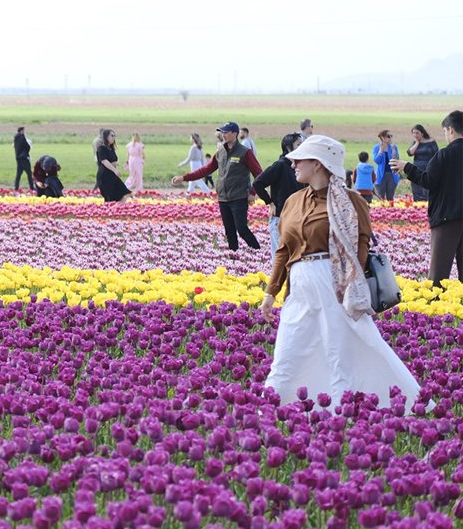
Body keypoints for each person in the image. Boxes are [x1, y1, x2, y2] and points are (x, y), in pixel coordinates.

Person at [260, 135, 420, 409]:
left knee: (339, 352)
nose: (293, 164)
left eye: (300, 159)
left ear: (318, 164)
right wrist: (270, 292)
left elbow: (361, 245)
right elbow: (283, 251)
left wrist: (350, 284)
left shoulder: (350, 201)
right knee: (287, 349)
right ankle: (272, 406)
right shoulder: (293, 202)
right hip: (300, 285)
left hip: (334, 283)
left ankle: (342, 410)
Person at [392, 110, 463, 288]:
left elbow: (428, 181)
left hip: (447, 218)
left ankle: (436, 306)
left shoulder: (444, 155)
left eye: (445, 131)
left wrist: (407, 167)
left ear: (450, 130)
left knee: (438, 275)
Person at [173, 122, 263, 251]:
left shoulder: (245, 152)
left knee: (241, 229)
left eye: (226, 132)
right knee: (229, 231)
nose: (223, 135)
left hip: (239, 197)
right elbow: (206, 170)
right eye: (222, 132)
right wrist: (184, 177)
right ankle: (234, 255)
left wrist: (253, 192)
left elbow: (259, 174)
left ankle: (258, 252)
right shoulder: (220, 152)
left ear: (235, 134)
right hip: (223, 198)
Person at [252, 132, 305, 255]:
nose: (302, 147)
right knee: (280, 257)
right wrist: (270, 203)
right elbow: (258, 183)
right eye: (298, 144)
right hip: (280, 218)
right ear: (288, 147)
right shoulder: (280, 165)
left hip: (297, 218)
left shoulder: (301, 167)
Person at [94, 128, 130, 203]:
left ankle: (118, 209)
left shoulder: (111, 148)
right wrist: (115, 170)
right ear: (106, 137)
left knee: (125, 193)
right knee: (110, 198)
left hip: (112, 175)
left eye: (114, 136)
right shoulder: (101, 148)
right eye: (112, 136)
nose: (114, 138)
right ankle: (111, 210)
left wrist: (115, 163)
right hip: (105, 176)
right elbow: (104, 161)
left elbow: (112, 161)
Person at [406, 124, 439, 203]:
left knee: (427, 188)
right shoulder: (415, 142)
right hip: (417, 168)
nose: (415, 135)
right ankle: (418, 206)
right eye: (413, 133)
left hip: (428, 168)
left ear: (422, 133)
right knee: (417, 188)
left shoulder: (431, 141)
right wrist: (417, 143)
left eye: (417, 133)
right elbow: (410, 153)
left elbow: (436, 154)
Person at [371, 130, 399, 202]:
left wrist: (393, 150)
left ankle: (391, 209)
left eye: (391, 136)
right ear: (382, 137)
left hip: (392, 175)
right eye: (388, 136)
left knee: (390, 197)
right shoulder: (376, 147)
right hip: (381, 175)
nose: (390, 138)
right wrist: (381, 150)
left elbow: (396, 160)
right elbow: (377, 161)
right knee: (381, 197)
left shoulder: (393, 147)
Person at [13, 126, 35, 191]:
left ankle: (16, 187)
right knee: (29, 173)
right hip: (24, 158)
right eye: (23, 131)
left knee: (18, 174)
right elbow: (27, 146)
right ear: (21, 131)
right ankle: (32, 187)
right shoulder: (22, 138)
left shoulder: (15, 138)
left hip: (18, 158)